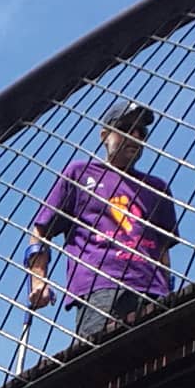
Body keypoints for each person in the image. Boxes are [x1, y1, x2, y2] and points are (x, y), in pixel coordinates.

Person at [23, 102, 179, 347]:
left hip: (152, 289)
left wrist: (168, 288)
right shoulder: (80, 173)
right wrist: (39, 281)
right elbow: (41, 231)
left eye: (141, 132)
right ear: (104, 135)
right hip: (100, 287)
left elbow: (162, 251)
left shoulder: (158, 189)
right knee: (102, 362)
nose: (135, 136)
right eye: (127, 128)